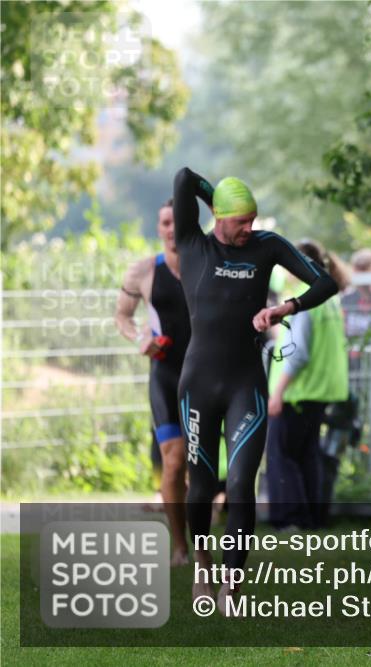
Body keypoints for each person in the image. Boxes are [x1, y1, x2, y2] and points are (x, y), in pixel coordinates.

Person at [171, 167, 338, 611]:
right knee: (201, 486)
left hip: (247, 383)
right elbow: (185, 177)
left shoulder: (267, 247)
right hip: (199, 385)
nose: (249, 228)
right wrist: (216, 196)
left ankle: (231, 583)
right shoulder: (193, 244)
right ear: (218, 216)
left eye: (253, 219)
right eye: (239, 220)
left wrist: (285, 308)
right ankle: (203, 566)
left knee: (243, 483)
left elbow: (326, 281)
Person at [114, 198, 191, 567]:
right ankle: (180, 547)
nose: (172, 229)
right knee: (174, 463)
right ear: (158, 228)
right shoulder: (144, 271)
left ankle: (208, 539)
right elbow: (122, 316)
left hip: (207, 376)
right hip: (165, 375)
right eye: (165, 223)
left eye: (178, 222)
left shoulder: (209, 265)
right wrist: (138, 339)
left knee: (204, 469)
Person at [266, 241, 351, 530]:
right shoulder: (330, 300)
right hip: (320, 391)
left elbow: (298, 352)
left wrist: (277, 392)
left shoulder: (303, 300)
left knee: (283, 456)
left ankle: (290, 519)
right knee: (307, 455)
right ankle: (312, 518)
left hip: (297, 392)